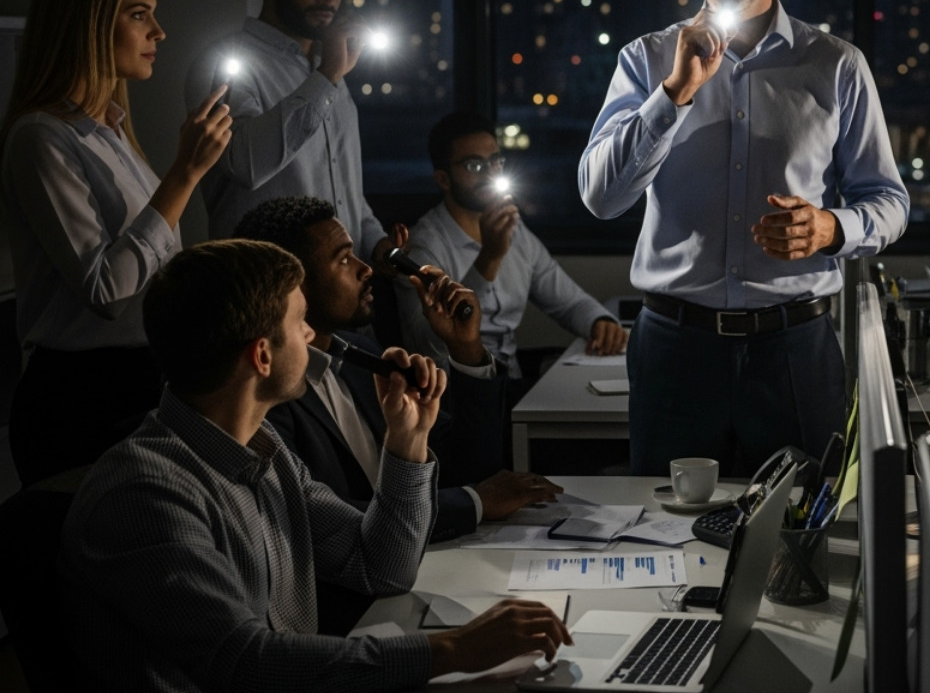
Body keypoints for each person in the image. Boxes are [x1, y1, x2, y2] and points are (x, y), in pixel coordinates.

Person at [59, 239, 572, 690]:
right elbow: (244, 665)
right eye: (300, 323)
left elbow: (384, 568)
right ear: (262, 356)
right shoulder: (146, 495)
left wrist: (406, 442)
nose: (311, 337)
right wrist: (452, 651)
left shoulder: (263, 451)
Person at [579, 0, 909, 476]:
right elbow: (600, 197)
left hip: (795, 350)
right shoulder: (646, 60)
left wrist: (832, 228)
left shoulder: (835, 65)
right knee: (668, 541)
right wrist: (672, 95)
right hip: (675, 348)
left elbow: (888, 200)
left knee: (806, 545)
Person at [1, 0, 232, 486]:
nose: (159, 32)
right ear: (88, 25)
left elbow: (154, 269)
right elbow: (106, 290)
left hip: (142, 381)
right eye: (138, 14)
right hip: (80, 399)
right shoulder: (41, 137)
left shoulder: (112, 134)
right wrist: (184, 175)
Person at [235, 198, 558, 543]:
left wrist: (465, 347)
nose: (366, 269)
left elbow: (470, 465)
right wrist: (475, 502)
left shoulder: (360, 354)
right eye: (344, 259)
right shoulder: (266, 396)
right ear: (292, 286)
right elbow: (329, 523)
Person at [185, 0, 392, 266]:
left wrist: (383, 250)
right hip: (262, 296)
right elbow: (247, 163)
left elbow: (347, 196)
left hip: (339, 299)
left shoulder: (328, 70)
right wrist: (327, 76)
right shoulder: (223, 61)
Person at [401, 112, 624, 392]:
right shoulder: (425, 247)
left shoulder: (514, 231)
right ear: (443, 179)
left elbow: (567, 301)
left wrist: (599, 321)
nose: (491, 173)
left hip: (511, 382)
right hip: (458, 391)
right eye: (474, 165)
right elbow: (428, 344)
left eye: (496, 161)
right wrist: (489, 258)